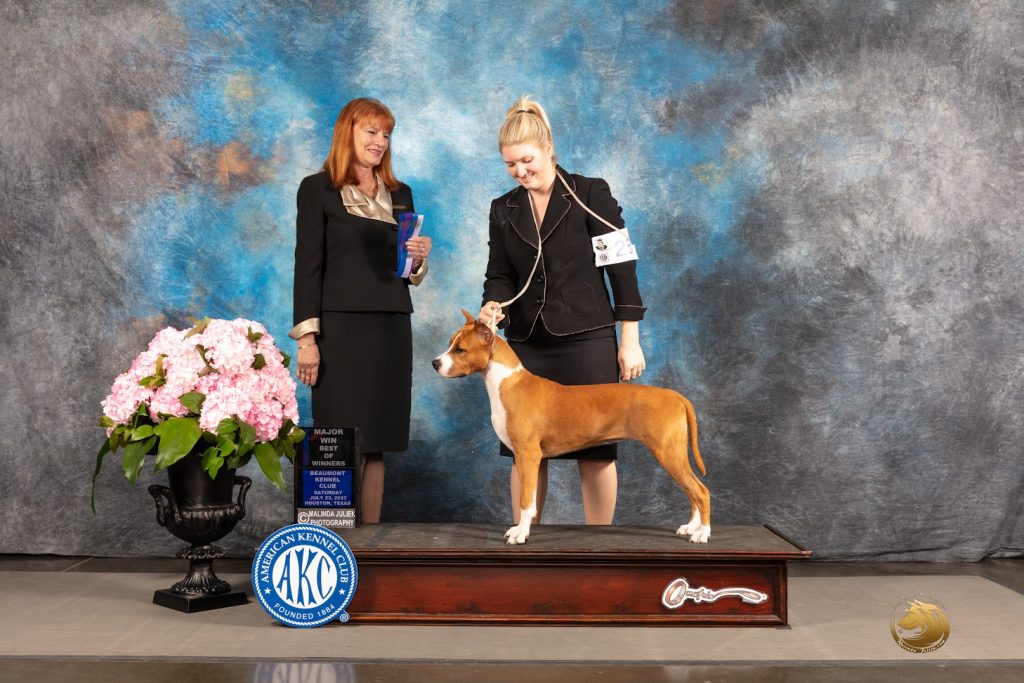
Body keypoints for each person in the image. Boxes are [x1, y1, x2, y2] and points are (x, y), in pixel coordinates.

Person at [479, 96, 646, 525]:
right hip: (526, 344)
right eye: (510, 164)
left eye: (527, 160)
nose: (520, 172)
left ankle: (599, 547)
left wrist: (629, 339)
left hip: (587, 338)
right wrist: (493, 302)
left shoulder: (590, 193)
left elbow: (621, 267)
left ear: (549, 147)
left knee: (597, 452)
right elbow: (499, 274)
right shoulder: (503, 208)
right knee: (524, 451)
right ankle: (526, 541)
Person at [291, 97, 431, 523]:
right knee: (336, 439)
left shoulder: (401, 193)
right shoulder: (317, 189)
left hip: (392, 327)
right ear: (346, 133)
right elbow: (307, 266)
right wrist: (307, 339)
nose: (380, 141)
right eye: (371, 131)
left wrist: (419, 258)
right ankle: (331, 540)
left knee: (377, 440)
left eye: (386, 134)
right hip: (341, 331)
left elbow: (405, 271)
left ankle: (368, 540)